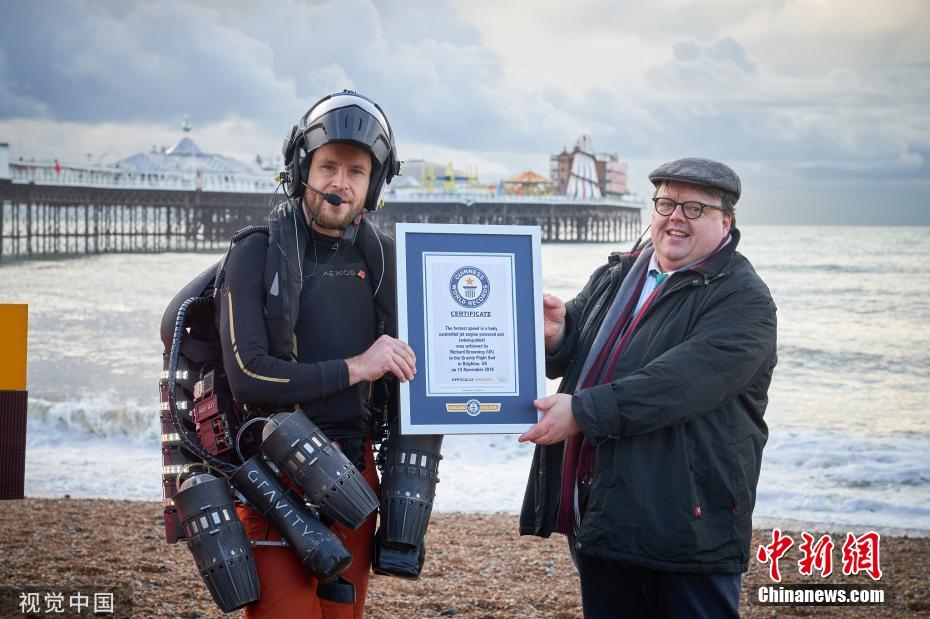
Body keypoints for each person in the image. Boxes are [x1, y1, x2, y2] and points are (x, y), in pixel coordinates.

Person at [519, 157, 777, 617]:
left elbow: (680, 383)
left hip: (687, 525)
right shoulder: (619, 273)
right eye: (666, 203)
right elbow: (582, 345)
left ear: (726, 222)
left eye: (694, 208)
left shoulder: (743, 298)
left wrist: (581, 412)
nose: (676, 217)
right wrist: (558, 333)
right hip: (604, 511)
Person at [217, 90, 415, 619]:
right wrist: (359, 367)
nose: (339, 182)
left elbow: (428, 360)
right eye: (328, 166)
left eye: (356, 171)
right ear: (302, 169)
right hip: (276, 473)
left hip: (355, 475)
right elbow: (249, 376)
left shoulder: (384, 260)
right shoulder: (255, 252)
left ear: (374, 183)